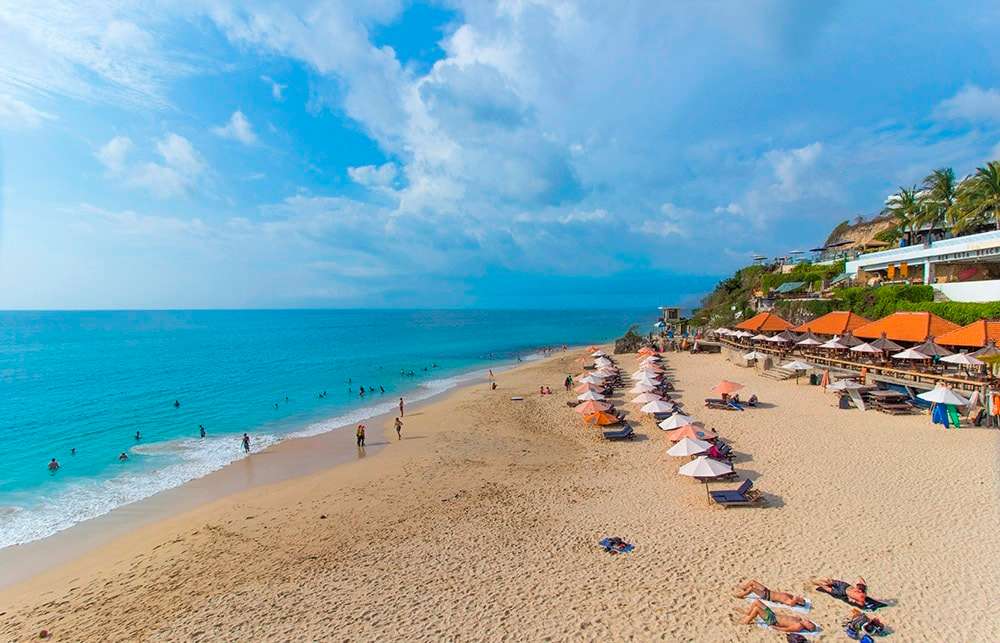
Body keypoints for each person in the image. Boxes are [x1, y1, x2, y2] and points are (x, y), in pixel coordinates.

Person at [739, 599, 816, 633]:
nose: (809, 623)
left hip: (772, 620)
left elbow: (786, 629)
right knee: (757, 602)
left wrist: (774, 627)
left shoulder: (798, 626)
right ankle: (748, 614)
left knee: (757, 609)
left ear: (807, 628)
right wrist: (804, 620)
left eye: (810, 625)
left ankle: (746, 621)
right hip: (773, 615)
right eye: (811, 623)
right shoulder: (799, 620)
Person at [734, 580, 805, 607]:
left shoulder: (790, 601)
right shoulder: (791, 596)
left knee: (752, 589)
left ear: (799, 602)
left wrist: (796, 599)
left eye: (801, 600)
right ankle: (743, 588)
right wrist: (795, 597)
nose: (801, 598)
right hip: (768, 591)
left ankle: (740, 595)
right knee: (753, 582)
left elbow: (791, 604)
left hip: (767, 596)